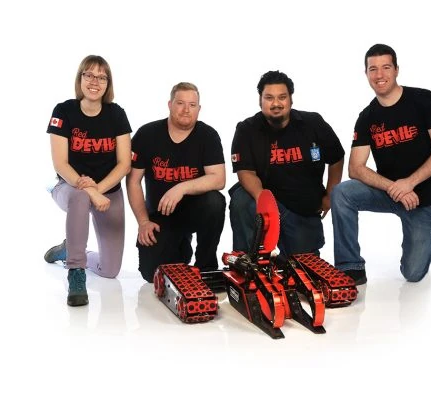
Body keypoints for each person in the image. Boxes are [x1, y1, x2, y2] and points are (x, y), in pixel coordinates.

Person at [331, 44, 431, 285]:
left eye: (386, 67)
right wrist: (394, 188)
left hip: (425, 197)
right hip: (389, 192)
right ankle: (350, 267)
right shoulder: (367, 117)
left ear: (397, 69)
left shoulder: (424, 100)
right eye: (373, 69)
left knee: (413, 273)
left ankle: (424, 244)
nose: (379, 75)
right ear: (366, 73)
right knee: (342, 193)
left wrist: (409, 183)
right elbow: (355, 168)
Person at [43, 55, 132, 306]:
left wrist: (99, 190)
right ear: (80, 78)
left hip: (108, 192)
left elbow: (124, 163)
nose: (95, 81)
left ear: (108, 83)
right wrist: (91, 192)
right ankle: (76, 271)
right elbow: (60, 164)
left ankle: (69, 249)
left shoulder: (116, 114)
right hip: (70, 187)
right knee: (81, 196)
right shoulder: (63, 111)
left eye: (102, 77)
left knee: (110, 270)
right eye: (89, 75)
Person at [229, 70, 345, 257]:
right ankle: (248, 261)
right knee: (242, 199)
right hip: (264, 203)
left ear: (291, 99)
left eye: (282, 97)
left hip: (302, 208)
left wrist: (330, 195)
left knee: (303, 267)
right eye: (269, 98)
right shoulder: (246, 129)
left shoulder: (313, 123)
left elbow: (336, 158)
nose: (276, 104)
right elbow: (245, 172)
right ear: (260, 100)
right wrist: (264, 201)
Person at [126, 82, 226, 283]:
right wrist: (143, 222)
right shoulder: (147, 134)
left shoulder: (208, 135)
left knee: (215, 201)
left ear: (199, 108)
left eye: (192, 105)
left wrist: (181, 188)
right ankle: (181, 247)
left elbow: (219, 179)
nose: (186, 109)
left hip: (194, 210)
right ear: (170, 104)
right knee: (152, 274)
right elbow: (133, 182)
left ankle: (206, 266)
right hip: (161, 215)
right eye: (180, 103)